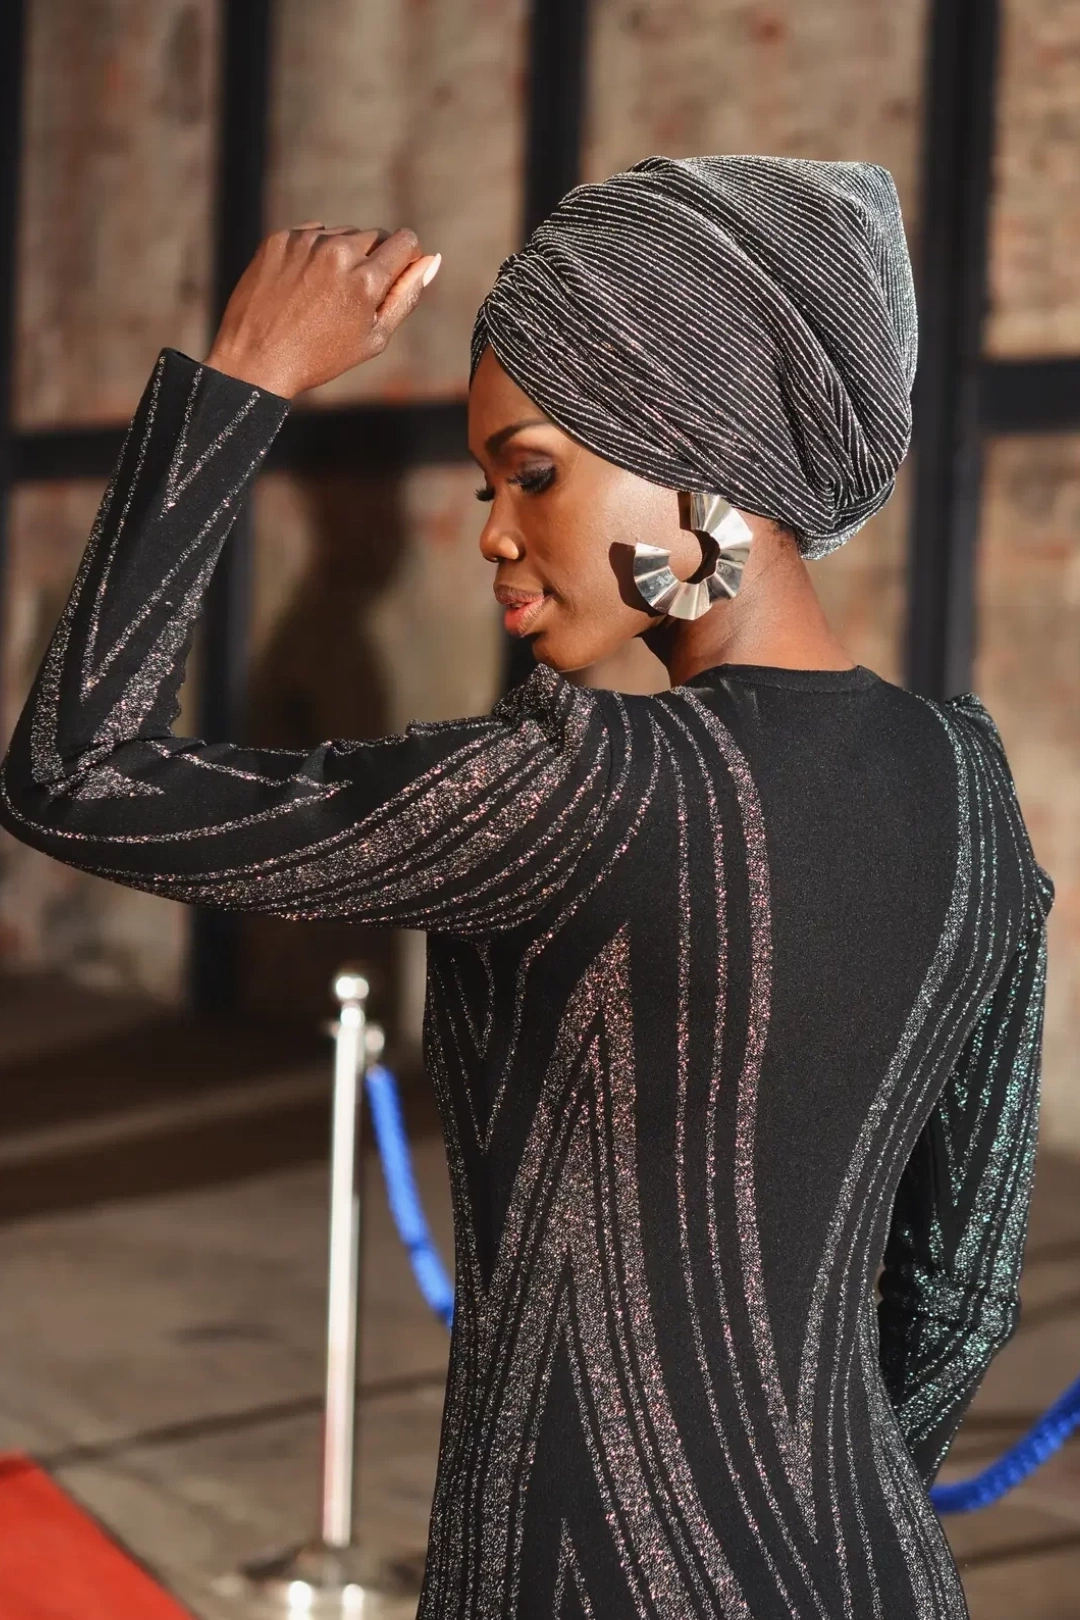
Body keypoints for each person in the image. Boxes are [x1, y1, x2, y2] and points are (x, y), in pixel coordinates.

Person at [0, 157, 1052, 1619]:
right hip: (870, 1569)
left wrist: (242, 378)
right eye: (489, 482)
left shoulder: (579, 789)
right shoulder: (970, 787)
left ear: (699, 453)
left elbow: (76, 772)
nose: (494, 528)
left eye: (535, 472)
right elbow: (962, 1288)